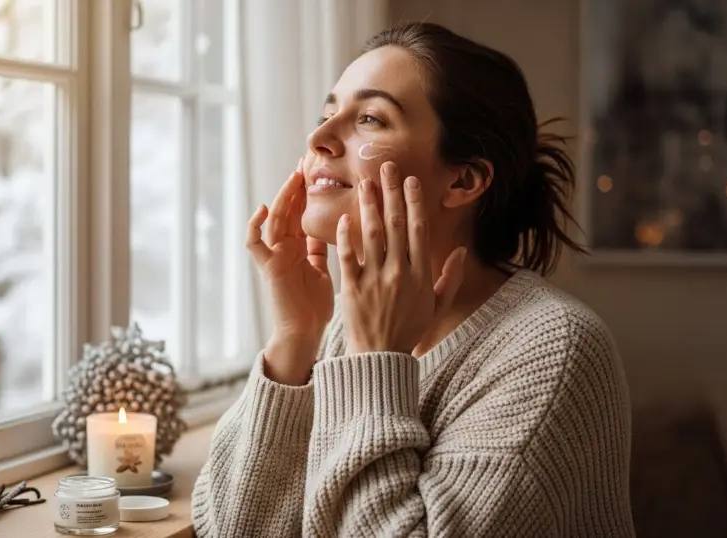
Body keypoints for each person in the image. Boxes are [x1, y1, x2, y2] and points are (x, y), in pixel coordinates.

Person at [191, 22, 635, 537]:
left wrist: (376, 362)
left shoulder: (556, 350)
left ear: (463, 180)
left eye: (371, 119)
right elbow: (233, 528)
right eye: (328, 113)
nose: (317, 138)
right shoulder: (340, 330)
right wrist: (296, 338)